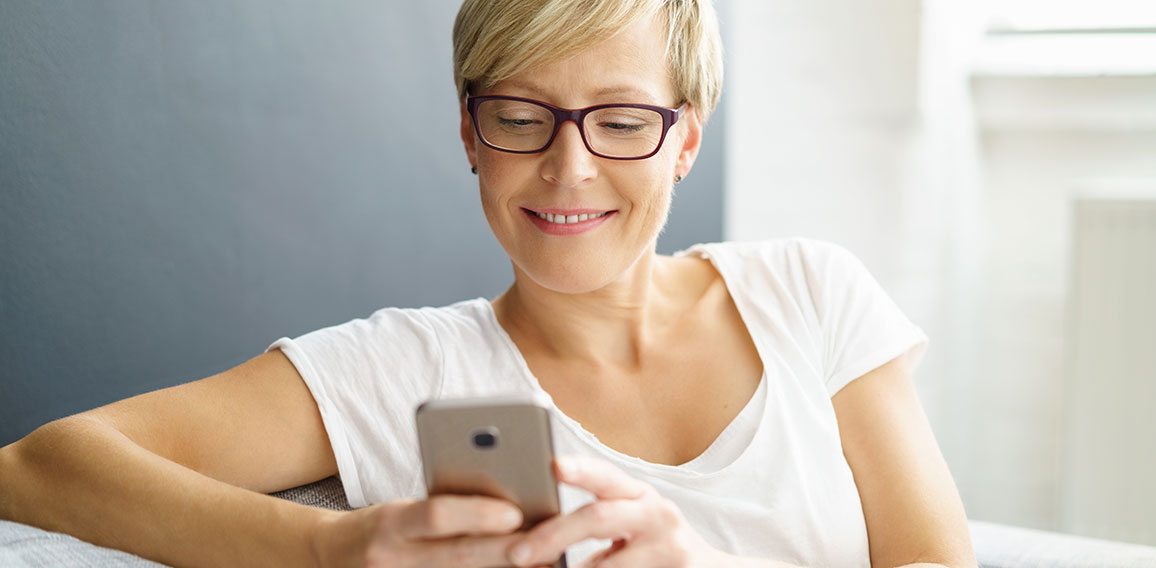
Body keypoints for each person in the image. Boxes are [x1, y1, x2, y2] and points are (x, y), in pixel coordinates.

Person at [0, 0, 977, 566]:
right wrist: (337, 551)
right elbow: (35, 467)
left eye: (623, 120)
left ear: (685, 137)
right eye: (521, 114)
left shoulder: (807, 292)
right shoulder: (397, 368)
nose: (570, 166)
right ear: (469, 133)